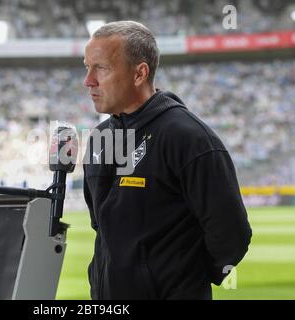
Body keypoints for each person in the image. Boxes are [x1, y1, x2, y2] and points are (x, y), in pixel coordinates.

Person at [82, 21, 252, 300]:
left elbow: (232, 234)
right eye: (86, 67)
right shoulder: (100, 139)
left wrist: (185, 277)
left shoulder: (189, 138)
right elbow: (103, 227)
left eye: (100, 68)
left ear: (140, 74)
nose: (88, 80)